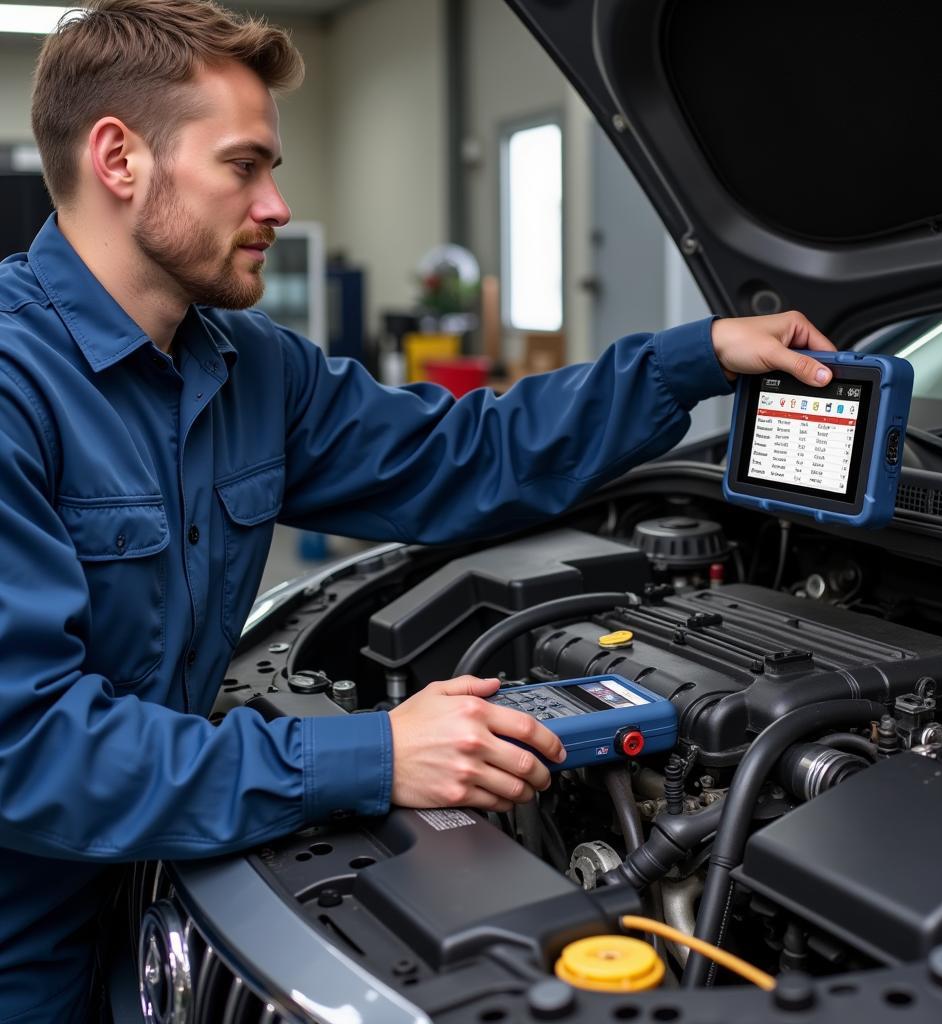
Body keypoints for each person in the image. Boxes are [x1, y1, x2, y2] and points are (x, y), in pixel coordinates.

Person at [0, 0, 836, 1018]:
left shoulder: (250, 368)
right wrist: (377, 753)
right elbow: (32, 750)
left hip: (153, 884)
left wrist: (691, 360)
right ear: (119, 159)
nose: (275, 205)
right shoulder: (14, 386)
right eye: (244, 164)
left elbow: (461, 456)